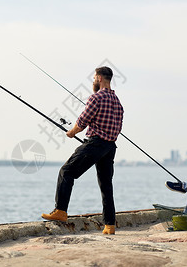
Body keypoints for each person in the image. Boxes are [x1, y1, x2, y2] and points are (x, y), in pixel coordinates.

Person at [41, 66, 124, 235]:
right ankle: (110, 225)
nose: (93, 80)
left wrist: (72, 132)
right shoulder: (118, 103)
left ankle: (61, 211)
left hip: (95, 143)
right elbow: (118, 127)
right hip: (110, 147)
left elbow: (83, 120)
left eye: (94, 77)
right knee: (106, 185)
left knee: (67, 171)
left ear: (100, 78)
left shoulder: (96, 98)